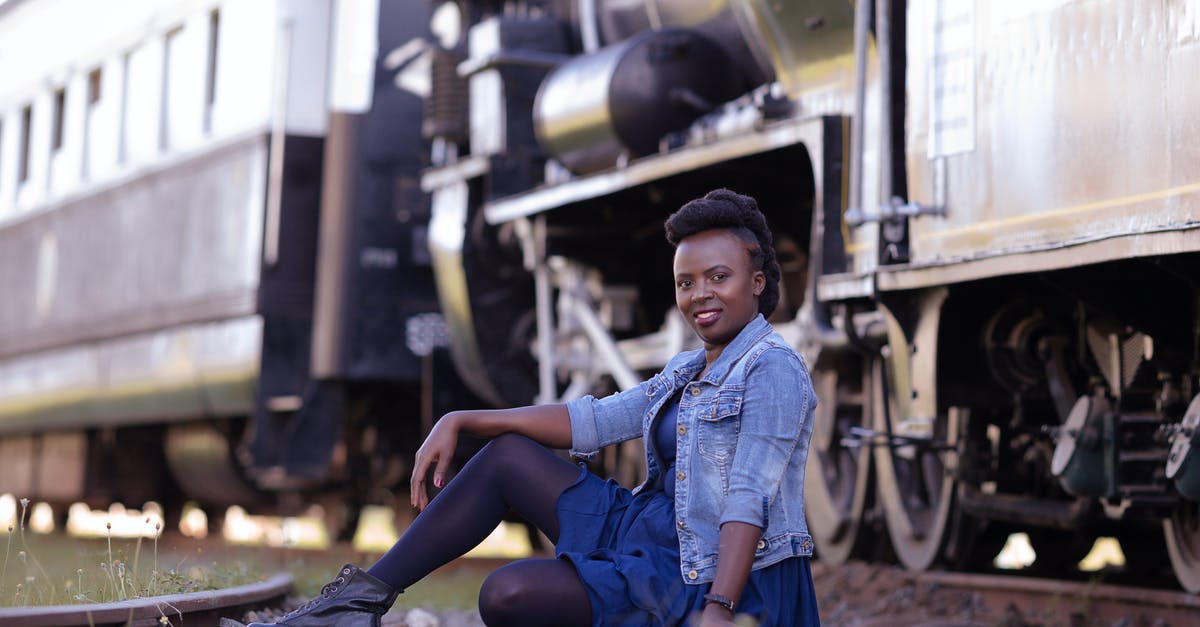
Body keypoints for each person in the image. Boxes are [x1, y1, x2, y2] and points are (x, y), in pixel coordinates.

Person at [237, 189, 820, 627]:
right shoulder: (691, 367)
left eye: (718, 277)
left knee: (506, 595)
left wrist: (719, 607)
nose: (700, 295)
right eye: (686, 282)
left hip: (719, 575)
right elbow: (595, 419)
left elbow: (749, 497)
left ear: (758, 280)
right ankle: (353, 607)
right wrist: (462, 419)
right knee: (508, 455)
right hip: (652, 533)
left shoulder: (772, 368)